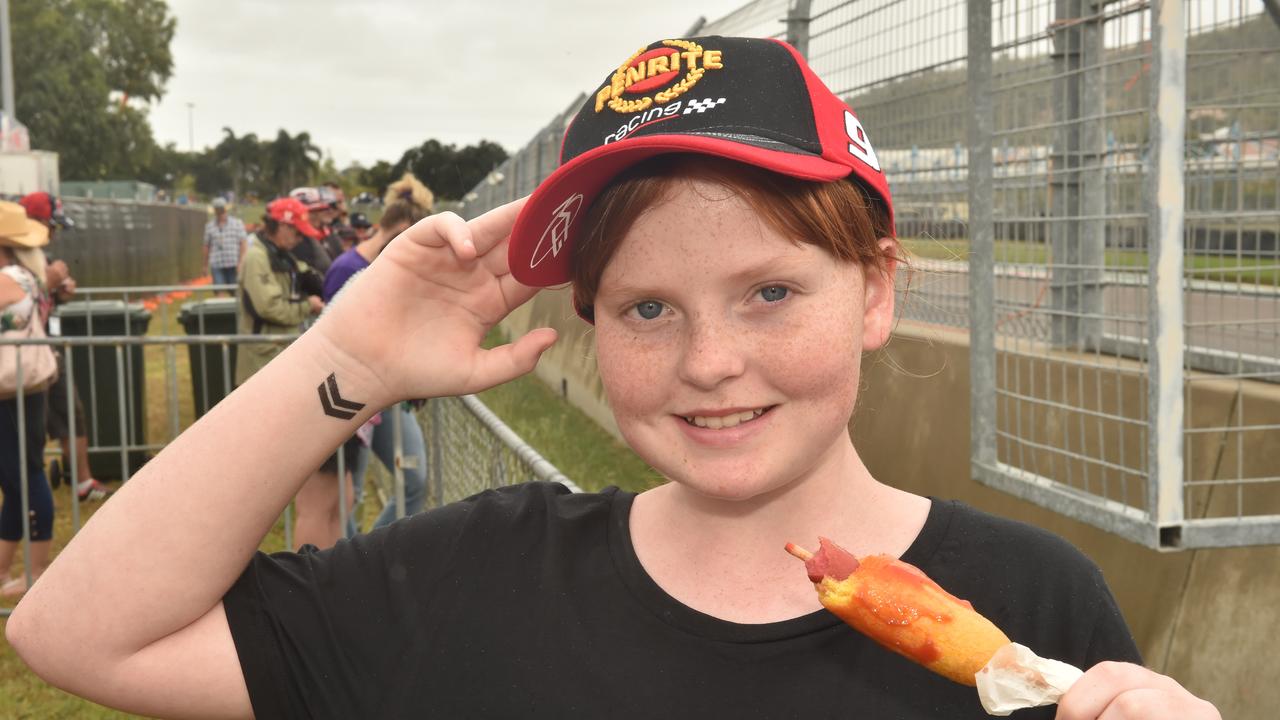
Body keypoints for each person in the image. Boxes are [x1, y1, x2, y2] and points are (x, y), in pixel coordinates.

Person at [7, 37, 1220, 720]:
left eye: (770, 292)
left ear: (877, 291)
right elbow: (77, 632)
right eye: (646, 308)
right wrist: (347, 360)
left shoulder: (1037, 609)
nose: (706, 362)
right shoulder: (474, 575)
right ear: (589, 322)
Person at [322, 191, 430, 538]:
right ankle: (354, 565)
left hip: (390, 400)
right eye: (414, 236)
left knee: (414, 479)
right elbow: (333, 341)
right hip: (354, 405)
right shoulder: (347, 269)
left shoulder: (391, 266)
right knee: (346, 498)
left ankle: (370, 555)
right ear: (399, 227)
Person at [18, 192, 110, 502]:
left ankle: (82, 482)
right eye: (51, 226)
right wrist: (48, 281)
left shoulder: (36, 255)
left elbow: (41, 299)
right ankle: (27, 489)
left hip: (46, 350)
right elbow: (16, 300)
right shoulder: (12, 256)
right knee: (29, 426)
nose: (54, 234)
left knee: (72, 414)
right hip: (22, 358)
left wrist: (59, 290)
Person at [0, 201, 58, 599]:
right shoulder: (26, 273)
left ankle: (37, 571)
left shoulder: (8, 277)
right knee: (14, 477)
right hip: (20, 388)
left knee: (26, 474)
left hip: (12, 389)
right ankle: (5, 569)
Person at [233, 196, 324, 387]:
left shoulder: (281, 255)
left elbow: (306, 274)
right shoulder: (257, 257)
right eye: (297, 232)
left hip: (279, 352)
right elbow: (269, 307)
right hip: (263, 357)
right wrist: (308, 306)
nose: (300, 239)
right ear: (282, 226)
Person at [202, 197, 249, 291]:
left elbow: (243, 243)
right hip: (217, 264)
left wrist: (241, 262)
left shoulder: (237, 223)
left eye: (221, 210)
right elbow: (206, 246)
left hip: (233, 264)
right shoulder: (209, 226)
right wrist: (205, 265)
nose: (220, 213)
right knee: (219, 291)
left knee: (235, 292)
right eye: (217, 210)